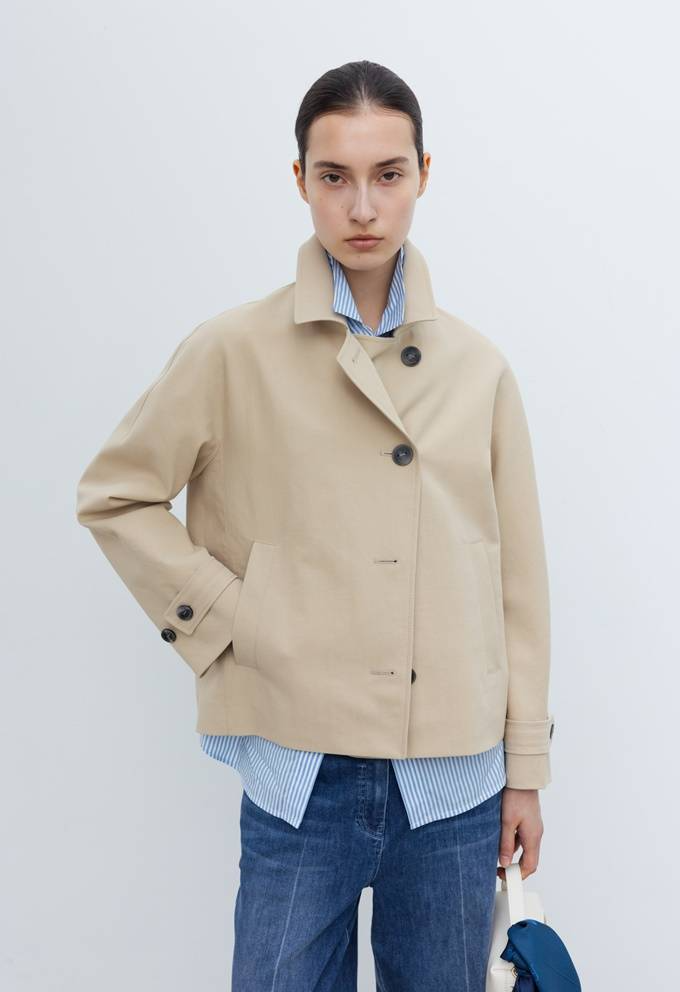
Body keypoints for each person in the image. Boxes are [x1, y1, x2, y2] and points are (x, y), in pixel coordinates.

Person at [76, 60, 555, 992]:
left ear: (424, 175)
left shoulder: (480, 369)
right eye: (335, 176)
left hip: (453, 781)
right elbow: (117, 495)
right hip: (299, 771)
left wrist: (525, 768)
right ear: (300, 179)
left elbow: (520, 585)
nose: (362, 207)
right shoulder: (231, 350)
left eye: (388, 174)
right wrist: (234, 617)